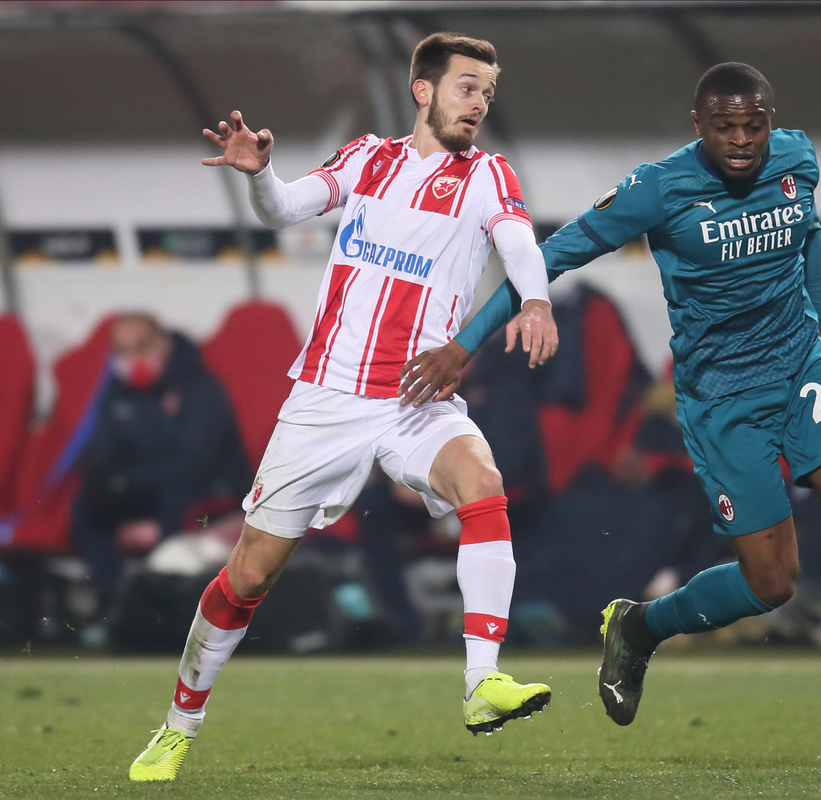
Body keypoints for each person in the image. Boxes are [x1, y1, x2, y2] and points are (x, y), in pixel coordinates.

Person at [402, 63, 821, 776]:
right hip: (723, 400)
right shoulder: (659, 188)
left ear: (772, 118)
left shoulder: (798, 158)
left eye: (754, 125)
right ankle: (640, 625)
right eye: (725, 127)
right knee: (772, 583)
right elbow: (549, 256)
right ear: (698, 125)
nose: (742, 141)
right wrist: (465, 345)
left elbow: (808, 237)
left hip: (802, 370)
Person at [130, 33, 559, 782]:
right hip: (326, 397)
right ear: (422, 92)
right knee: (249, 576)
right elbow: (285, 208)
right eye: (466, 87)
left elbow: (519, 241)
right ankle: (178, 724)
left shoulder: (489, 175)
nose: (479, 103)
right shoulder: (367, 156)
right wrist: (261, 174)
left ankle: (482, 682)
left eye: (487, 92)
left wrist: (536, 299)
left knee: (483, 484)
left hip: (413, 394)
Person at [72, 313, 248, 620]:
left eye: (141, 346)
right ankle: (114, 602)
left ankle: (163, 607)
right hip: (141, 492)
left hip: (202, 493)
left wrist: (128, 481)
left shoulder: (200, 388)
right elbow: (100, 454)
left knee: (176, 495)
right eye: (123, 351)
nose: (134, 359)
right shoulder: (114, 394)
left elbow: (197, 462)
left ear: (163, 344)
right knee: (87, 506)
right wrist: (112, 484)